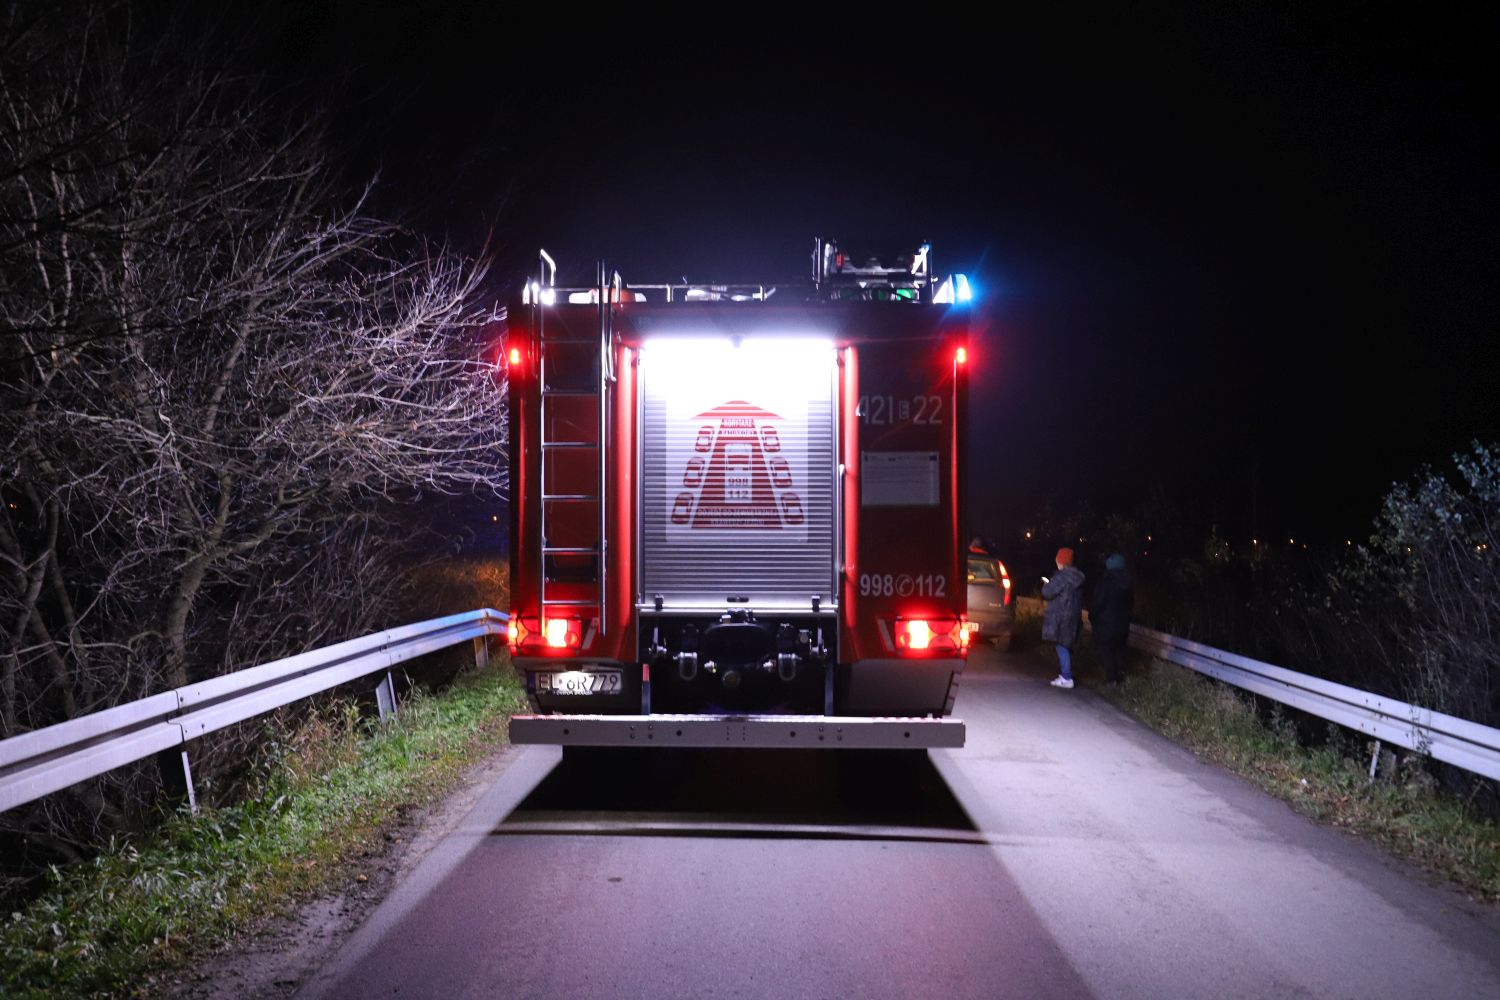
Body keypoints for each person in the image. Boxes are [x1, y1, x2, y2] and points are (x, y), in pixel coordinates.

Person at [1041, 547, 1086, 689]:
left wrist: (1046, 584)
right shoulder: (1078, 578)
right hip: (1073, 616)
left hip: (1060, 616)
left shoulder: (1061, 577)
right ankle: (1064, 675)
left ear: (1060, 561)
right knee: (1066, 645)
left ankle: (1067, 677)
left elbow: (1048, 592)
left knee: (1061, 645)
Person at [1090, 552, 1136, 686]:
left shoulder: (1105, 582)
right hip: (1123, 624)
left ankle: (1111, 680)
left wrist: (1092, 616)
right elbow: (1130, 604)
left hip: (1105, 624)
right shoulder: (1129, 584)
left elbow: (1098, 602)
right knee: (1118, 650)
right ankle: (1119, 678)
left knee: (1106, 650)